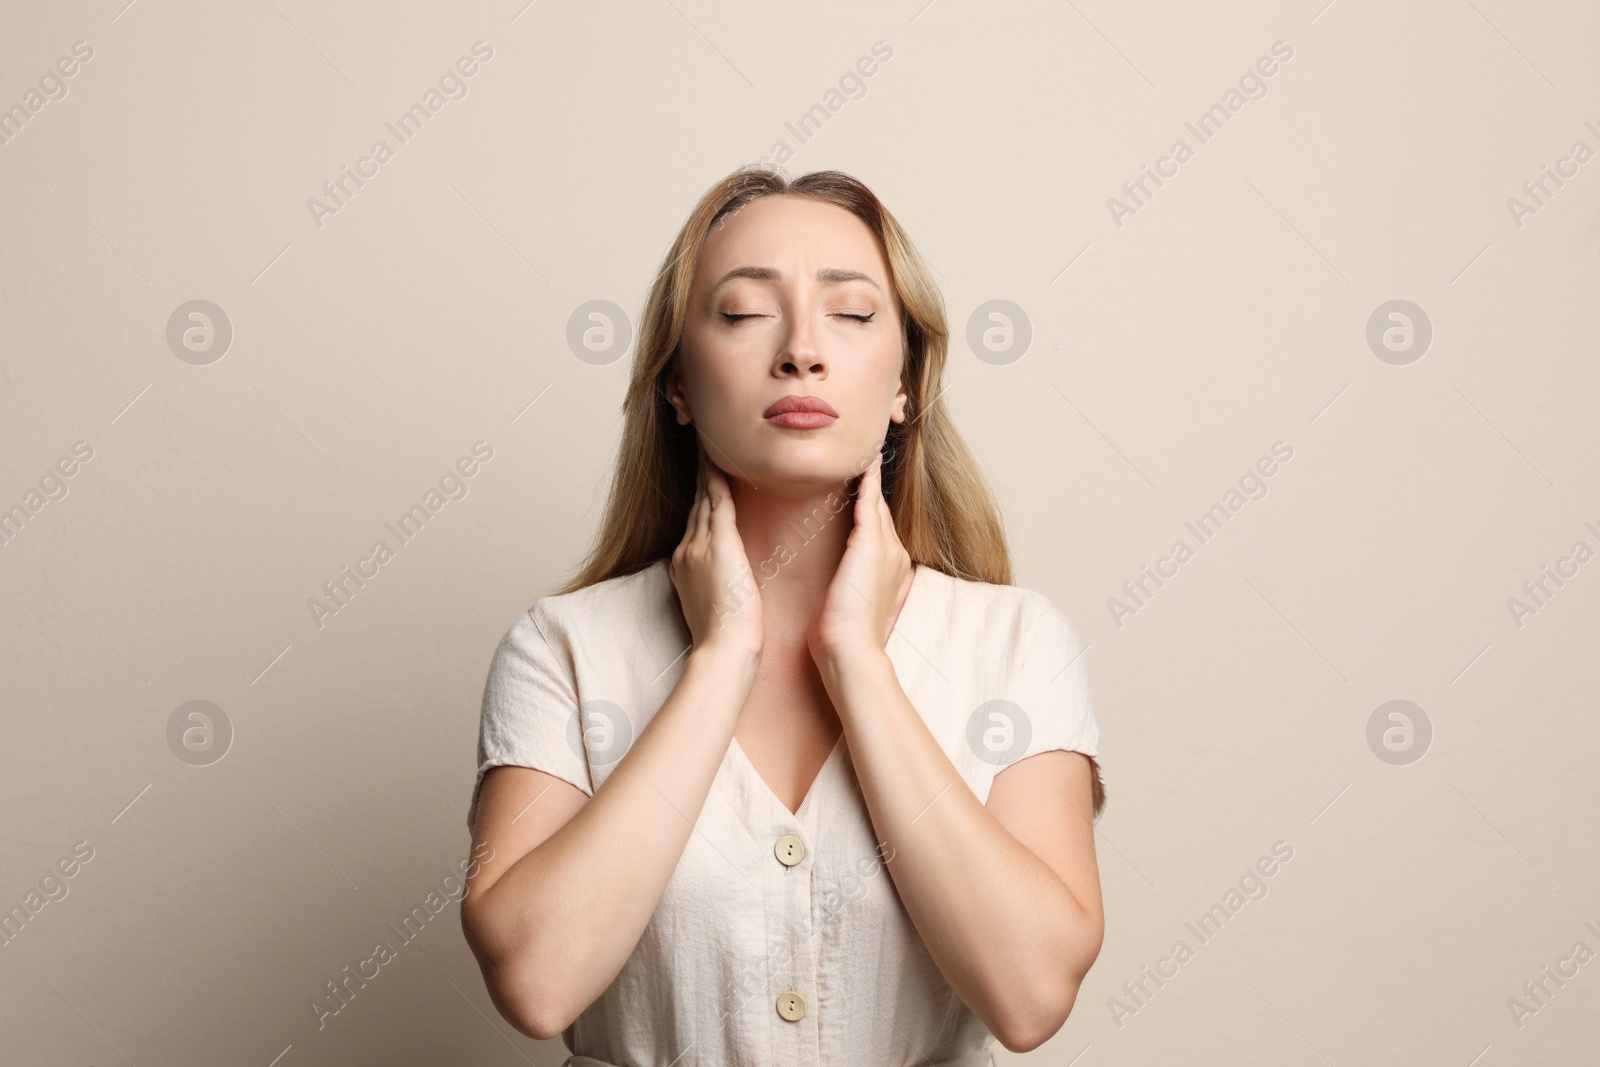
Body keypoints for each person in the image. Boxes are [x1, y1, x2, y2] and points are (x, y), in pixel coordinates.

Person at [460, 166, 1106, 1066]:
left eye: (851, 313)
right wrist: (720, 659)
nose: (802, 349)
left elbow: (1031, 996)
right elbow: (536, 979)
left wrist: (859, 667)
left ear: (904, 386)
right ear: (677, 384)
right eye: (741, 312)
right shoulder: (563, 648)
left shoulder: (1015, 644)